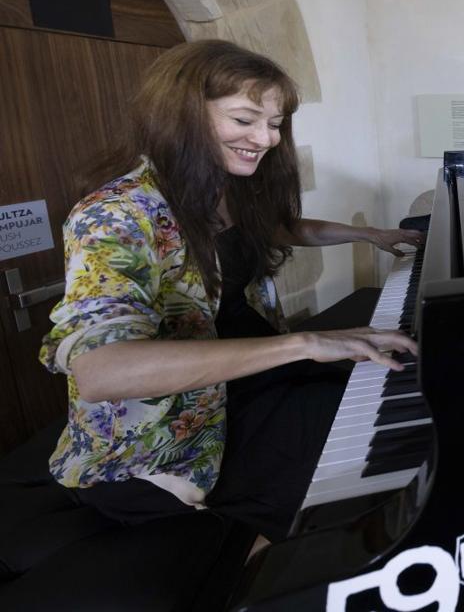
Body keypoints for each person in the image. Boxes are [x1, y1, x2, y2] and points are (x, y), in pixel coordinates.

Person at [38, 39, 419, 542]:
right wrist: (305, 343)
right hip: (171, 432)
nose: (265, 139)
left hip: (249, 380)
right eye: (244, 120)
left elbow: (275, 228)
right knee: (381, 464)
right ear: (182, 116)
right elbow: (100, 371)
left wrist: (367, 234)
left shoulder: (218, 186)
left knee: (398, 389)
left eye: (275, 124)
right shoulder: (115, 213)